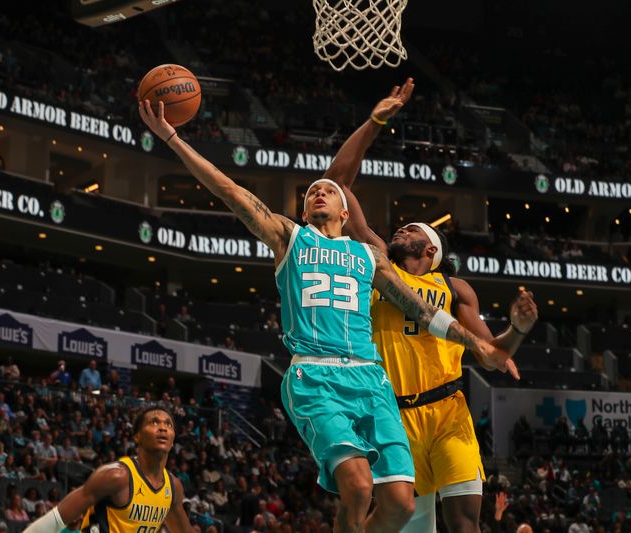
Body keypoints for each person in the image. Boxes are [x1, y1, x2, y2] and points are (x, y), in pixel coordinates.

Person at [139, 95, 512, 533]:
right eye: (313, 190)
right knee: (356, 487)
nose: (321, 190)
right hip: (315, 375)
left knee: (400, 506)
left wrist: (480, 345)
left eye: (329, 190)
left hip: (372, 382)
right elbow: (229, 190)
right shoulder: (289, 238)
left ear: (345, 210)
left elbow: (422, 309)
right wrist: (172, 138)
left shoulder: (370, 256)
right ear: (304, 209)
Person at [330, 79, 535, 533]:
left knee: (465, 525)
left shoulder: (455, 288)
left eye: (413, 231)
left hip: (448, 413)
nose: (402, 229)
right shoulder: (379, 263)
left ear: (431, 252)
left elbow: (491, 351)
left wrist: (517, 330)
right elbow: (337, 184)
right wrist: (375, 121)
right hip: (393, 416)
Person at [23, 405, 195, 533]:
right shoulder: (117, 476)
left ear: (173, 441)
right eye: (154, 422)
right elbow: (56, 519)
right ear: (137, 436)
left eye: (169, 424)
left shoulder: (173, 488)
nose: (163, 427)